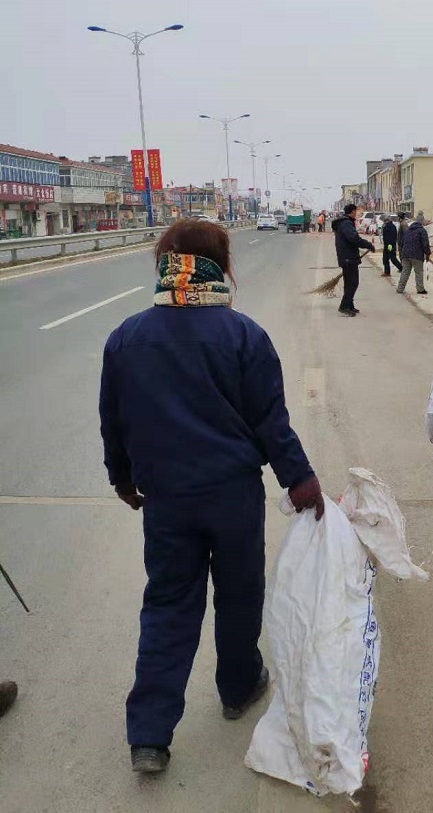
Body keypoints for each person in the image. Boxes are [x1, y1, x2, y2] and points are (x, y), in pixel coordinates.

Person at [99, 219, 324, 774]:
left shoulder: (126, 338)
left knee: (168, 604)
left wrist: (122, 479)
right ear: (220, 265)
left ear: (165, 262)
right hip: (232, 496)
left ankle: (149, 737)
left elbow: (114, 422)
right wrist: (299, 479)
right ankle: (238, 687)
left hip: (167, 501)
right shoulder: (243, 335)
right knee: (240, 593)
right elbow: (270, 422)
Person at [332, 204, 374, 317]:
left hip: (347, 257)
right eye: (356, 211)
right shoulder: (346, 224)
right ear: (352, 211)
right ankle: (344, 307)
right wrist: (368, 244)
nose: (357, 213)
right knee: (353, 283)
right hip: (348, 257)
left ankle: (349, 305)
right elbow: (354, 238)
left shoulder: (345, 222)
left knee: (349, 283)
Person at [397, 211, 431, 295]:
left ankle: (400, 288)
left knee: (405, 272)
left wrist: (402, 253)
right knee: (418, 272)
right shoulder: (422, 231)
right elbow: (425, 244)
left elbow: (402, 242)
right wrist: (427, 253)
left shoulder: (408, 230)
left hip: (405, 255)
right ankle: (420, 289)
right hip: (416, 255)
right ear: (421, 222)